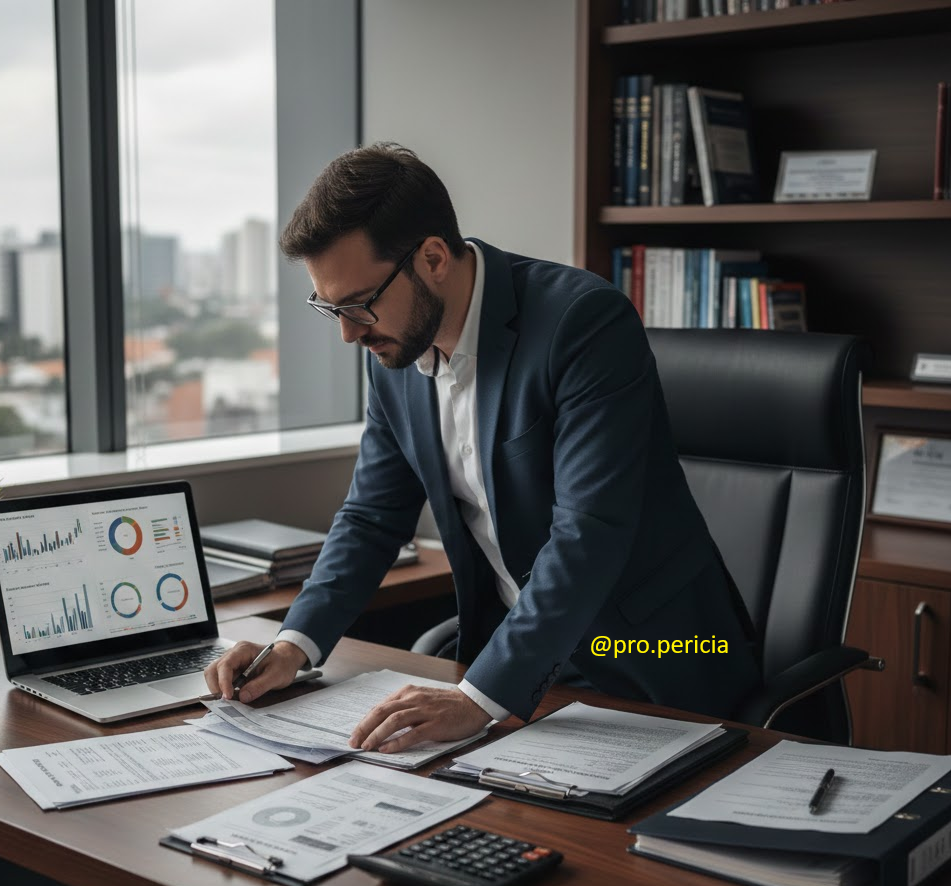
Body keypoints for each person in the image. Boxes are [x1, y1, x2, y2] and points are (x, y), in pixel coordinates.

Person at [204, 142, 760, 754]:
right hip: (515, 666)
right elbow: (371, 517)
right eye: (329, 307)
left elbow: (589, 531)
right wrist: (295, 644)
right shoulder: (393, 350)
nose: (347, 333)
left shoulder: (583, 323)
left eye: (359, 305)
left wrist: (478, 698)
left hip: (648, 658)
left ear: (434, 258)